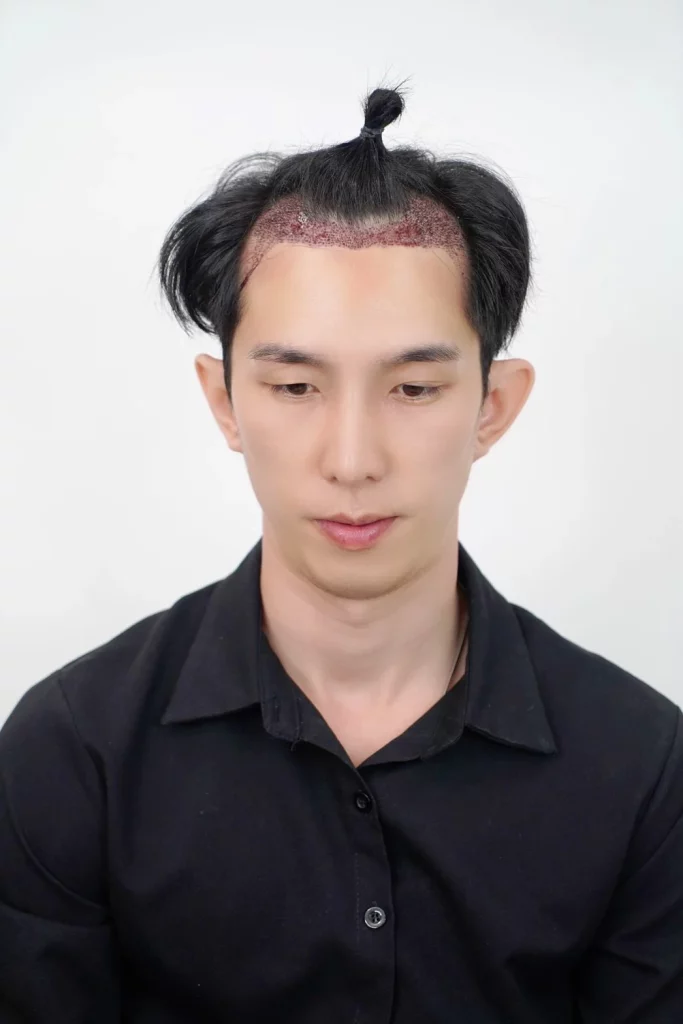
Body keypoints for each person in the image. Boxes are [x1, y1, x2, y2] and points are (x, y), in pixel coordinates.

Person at [0, 82, 681, 1024]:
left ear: (492, 407)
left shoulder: (643, 765)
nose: (352, 460)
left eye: (412, 389)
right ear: (224, 402)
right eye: (294, 387)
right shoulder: (73, 750)